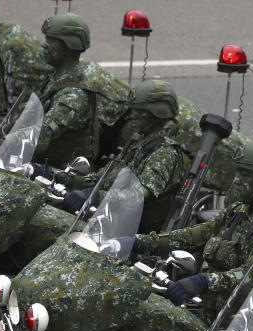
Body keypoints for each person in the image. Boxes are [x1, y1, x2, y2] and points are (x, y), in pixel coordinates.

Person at [129, 139, 253, 320]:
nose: (236, 180)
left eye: (245, 174)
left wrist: (203, 282)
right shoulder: (239, 211)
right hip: (210, 316)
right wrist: (137, 241)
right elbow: (195, 236)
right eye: (238, 172)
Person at [58, 79, 188, 232]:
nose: (133, 115)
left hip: (133, 236)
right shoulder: (137, 142)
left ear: (156, 114)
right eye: (133, 110)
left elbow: (138, 196)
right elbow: (102, 179)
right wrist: (61, 177)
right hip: (111, 220)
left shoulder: (165, 154)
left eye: (140, 111)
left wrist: (95, 195)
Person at [32, 13, 101, 167]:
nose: (45, 45)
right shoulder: (54, 79)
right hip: (40, 168)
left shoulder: (74, 94)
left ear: (69, 45)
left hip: (60, 178)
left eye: (51, 40)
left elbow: (41, 136)